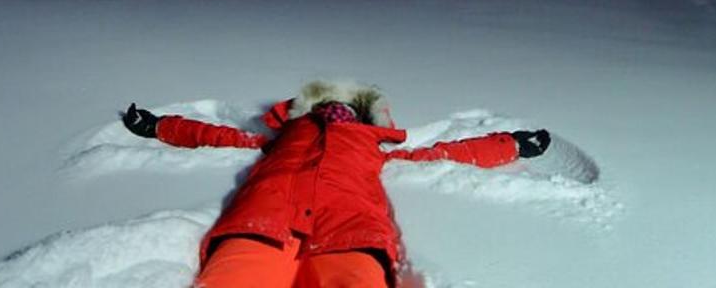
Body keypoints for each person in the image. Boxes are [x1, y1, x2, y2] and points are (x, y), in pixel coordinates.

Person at [122, 79, 550, 288]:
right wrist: (160, 126)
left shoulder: (371, 147)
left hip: (350, 231)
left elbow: (441, 154)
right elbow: (216, 136)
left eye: (345, 109)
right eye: (327, 107)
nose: (335, 113)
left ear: (365, 120)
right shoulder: (280, 140)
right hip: (259, 225)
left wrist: (510, 145)